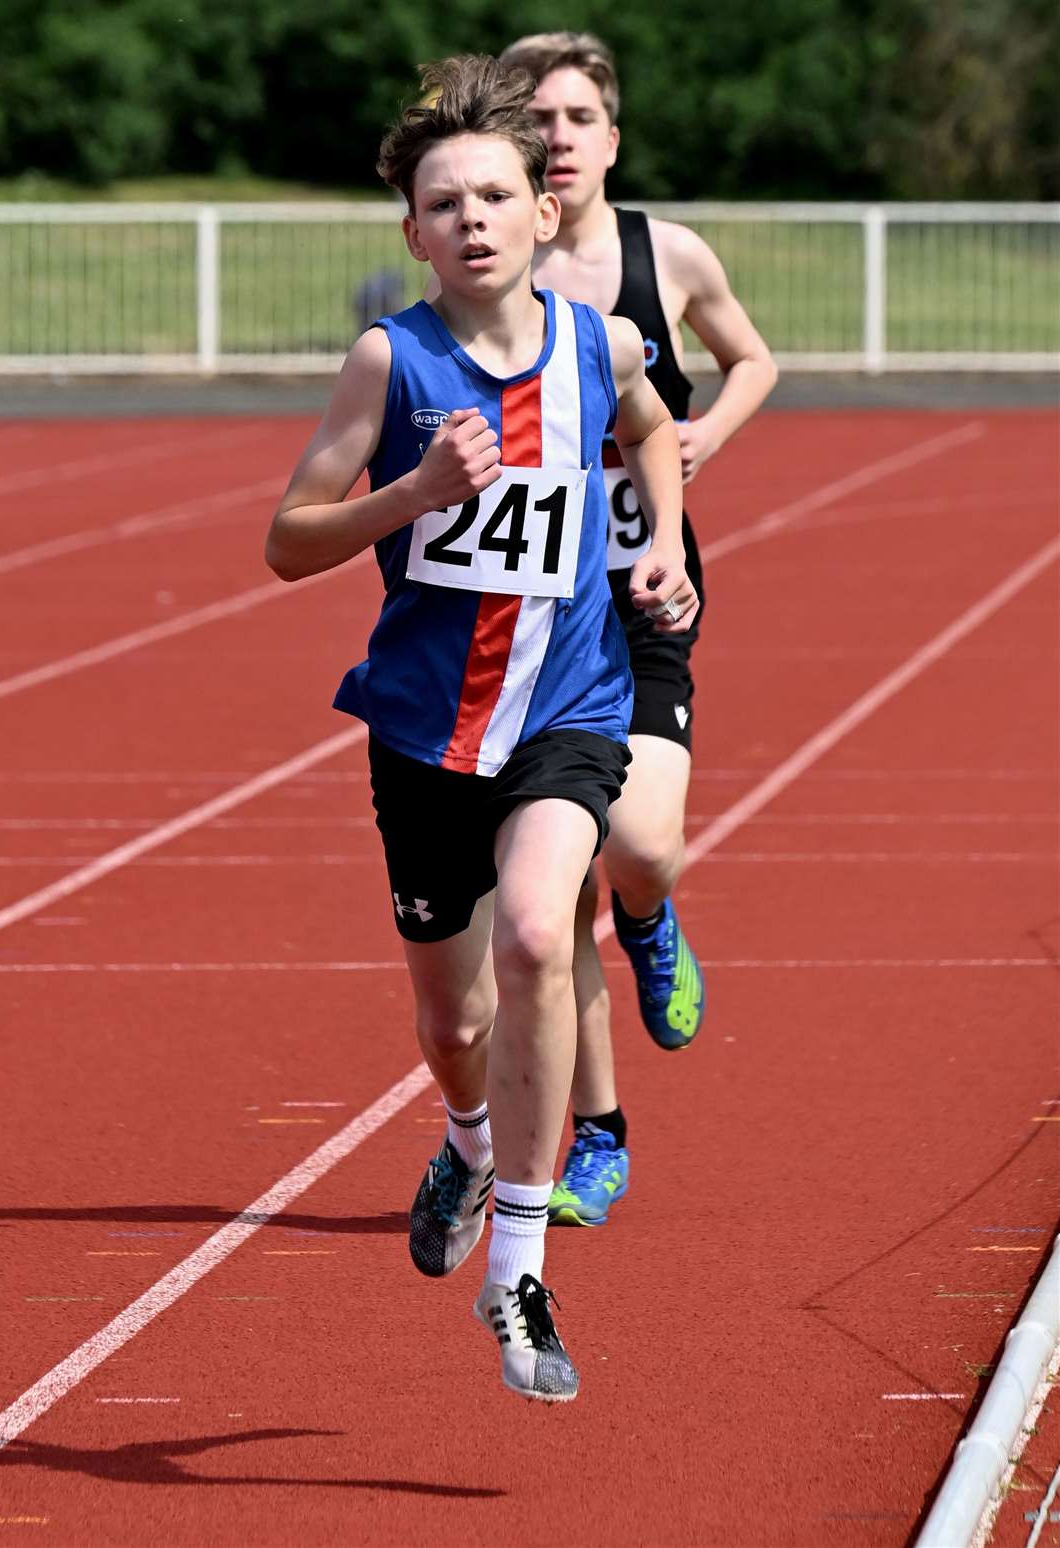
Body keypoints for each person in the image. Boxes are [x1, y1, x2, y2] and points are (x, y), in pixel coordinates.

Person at [265, 54, 698, 1403]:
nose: (473, 219)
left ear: (539, 213)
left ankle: (518, 1271)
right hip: (424, 736)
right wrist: (414, 492)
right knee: (451, 1022)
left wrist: (664, 543)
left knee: (534, 933)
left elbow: (654, 430)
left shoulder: (600, 344)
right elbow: (287, 542)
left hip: (569, 708)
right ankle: (463, 1136)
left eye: (495, 195)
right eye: (445, 202)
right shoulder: (389, 362)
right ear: (415, 233)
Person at [497, 32, 778, 1227]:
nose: (556, 138)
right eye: (535, 118)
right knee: (550, 901)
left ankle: (655, 917)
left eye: (575, 117)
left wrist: (700, 432)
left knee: (640, 848)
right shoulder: (493, 263)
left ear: (612, 138)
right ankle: (598, 1135)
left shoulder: (664, 254)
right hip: (530, 616)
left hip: (645, 585)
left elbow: (754, 356)